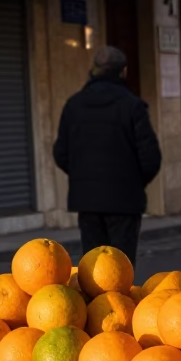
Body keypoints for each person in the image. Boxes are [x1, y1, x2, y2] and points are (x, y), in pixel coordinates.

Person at [53, 46, 162, 264]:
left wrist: (83, 176)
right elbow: (151, 158)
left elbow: (60, 153)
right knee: (120, 268)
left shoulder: (73, 105)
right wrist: (133, 182)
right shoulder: (132, 106)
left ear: (93, 70)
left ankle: (96, 299)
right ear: (123, 72)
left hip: (87, 201)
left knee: (93, 268)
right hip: (125, 201)